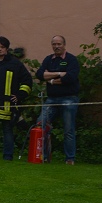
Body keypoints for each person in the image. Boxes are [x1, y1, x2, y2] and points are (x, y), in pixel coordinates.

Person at [36, 35, 80, 165]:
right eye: (54, 44)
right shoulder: (48, 59)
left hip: (69, 98)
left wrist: (50, 79)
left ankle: (70, 159)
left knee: (68, 129)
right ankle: (43, 156)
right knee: (41, 124)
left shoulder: (71, 60)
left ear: (64, 45)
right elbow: (40, 74)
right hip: (51, 99)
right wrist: (60, 74)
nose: (56, 46)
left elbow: (70, 78)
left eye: (59, 44)